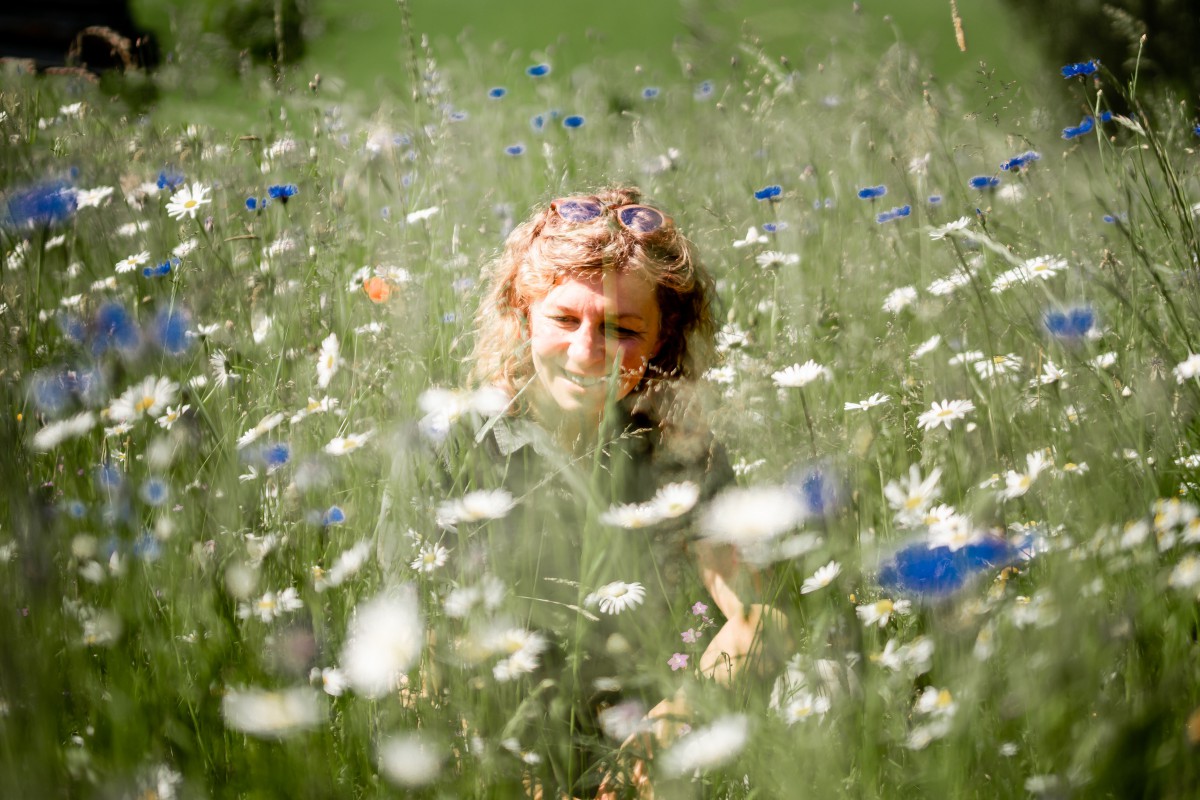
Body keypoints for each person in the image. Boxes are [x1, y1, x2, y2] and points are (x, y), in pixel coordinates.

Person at [436, 187, 785, 796]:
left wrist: (676, 722)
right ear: (523, 314)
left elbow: (760, 619)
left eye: (621, 328)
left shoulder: (682, 450)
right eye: (565, 319)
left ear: (662, 339)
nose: (586, 352)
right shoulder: (457, 448)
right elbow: (422, 660)